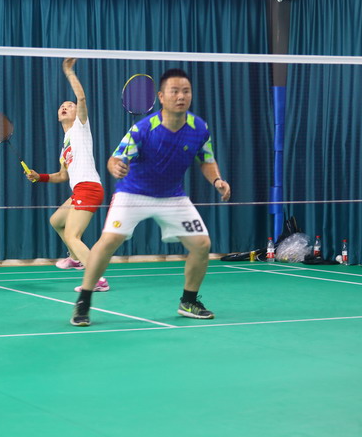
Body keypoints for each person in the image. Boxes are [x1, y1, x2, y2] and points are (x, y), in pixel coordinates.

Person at [70, 68, 231, 326]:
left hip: (172, 196)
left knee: (202, 244)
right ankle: (84, 301)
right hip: (133, 193)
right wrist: (115, 167)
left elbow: (206, 159)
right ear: (161, 97)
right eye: (174, 91)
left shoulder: (199, 128)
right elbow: (115, 159)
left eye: (186, 91)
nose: (181, 96)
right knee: (109, 241)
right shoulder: (143, 129)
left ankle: (189, 301)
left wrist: (217, 180)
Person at [26, 58, 109, 292]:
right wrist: (40, 177)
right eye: (62, 106)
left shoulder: (81, 127)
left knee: (73, 235)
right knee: (56, 221)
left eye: (69, 105)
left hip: (89, 188)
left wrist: (68, 71)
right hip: (78, 190)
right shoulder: (65, 145)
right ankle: (75, 258)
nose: (65, 107)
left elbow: (81, 98)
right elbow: (63, 175)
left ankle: (98, 280)